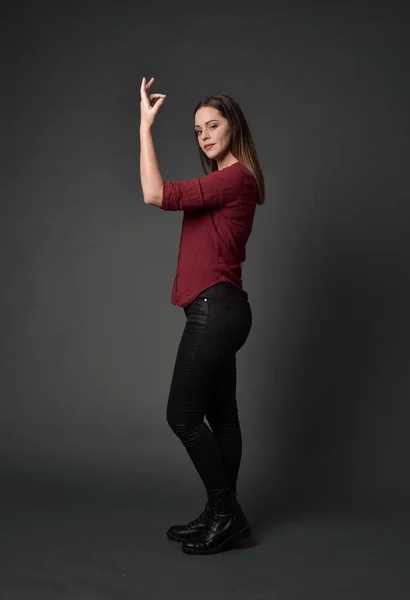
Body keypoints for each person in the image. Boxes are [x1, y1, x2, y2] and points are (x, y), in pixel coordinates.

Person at [139, 76, 265, 555]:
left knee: (183, 415)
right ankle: (220, 515)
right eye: (197, 130)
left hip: (216, 308)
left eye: (213, 125)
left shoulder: (231, 178)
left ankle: (226, 511)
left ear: (234, 127)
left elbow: (156, 194)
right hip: (224, 307)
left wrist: (146, 128)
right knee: (221, 416)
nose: (205, 136)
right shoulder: (231, 180)